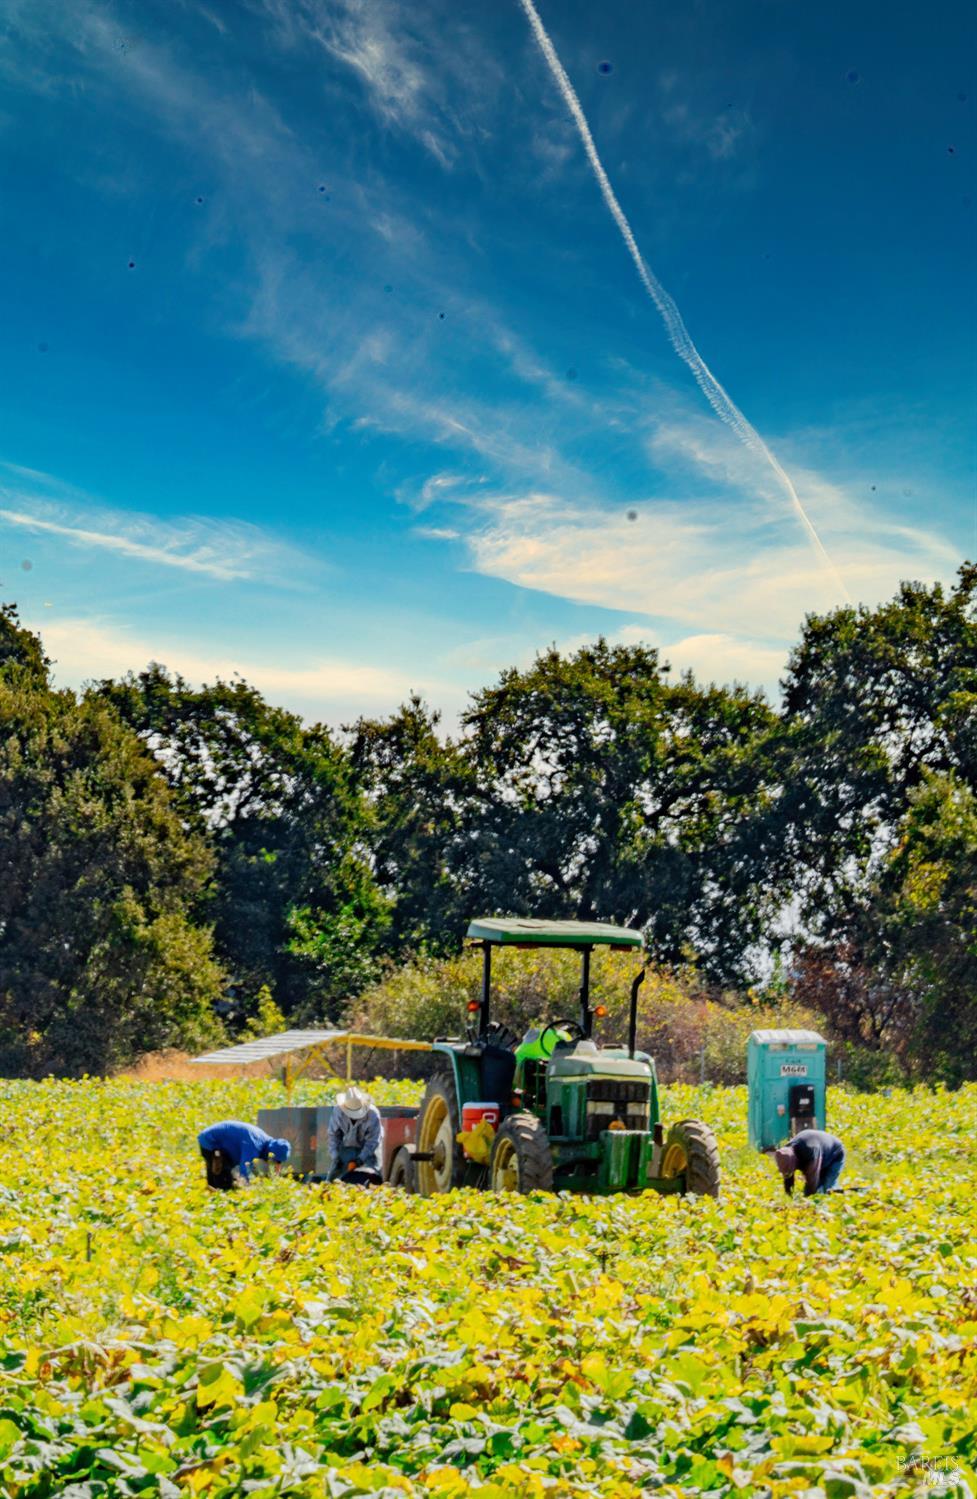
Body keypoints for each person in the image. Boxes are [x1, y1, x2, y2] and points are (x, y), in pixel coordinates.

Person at [198, 1120, 291, 1190]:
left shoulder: (264, 1140)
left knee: (223, 1180)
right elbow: (245, 1169)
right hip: (211, 1141)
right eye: (275, 1161)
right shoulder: (255, 1144)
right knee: (223, 1183)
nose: (274, 1164)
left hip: (221, 1146)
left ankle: (211, 1197)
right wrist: (248, 1190)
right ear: (270, 1154)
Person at [326, 1086, 383, 1184]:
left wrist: (359, 1161)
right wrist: (336, 1157)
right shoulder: (338, 1111)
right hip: (346, 1148)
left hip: (369, 1151)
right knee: (333, 1179)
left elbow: (373, 1141)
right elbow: (333, 1135)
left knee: (372, 1177)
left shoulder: (373, 1114)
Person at [774, 1128, 845, 1196]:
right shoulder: (786, 1152)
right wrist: (789, 1195)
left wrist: (808, 1201)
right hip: (820, 1152)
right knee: (817, 1189)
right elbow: (788, 1177)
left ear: (795, 1161)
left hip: (834, 1154)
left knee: (824, 1188)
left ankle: (845, 1194)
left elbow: (812, 1181)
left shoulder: (809, 1150)